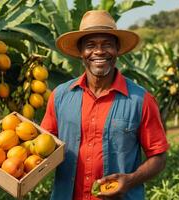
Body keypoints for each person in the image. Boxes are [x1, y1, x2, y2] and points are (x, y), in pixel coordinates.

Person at [41, 10, 169, 200]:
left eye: (107, 44)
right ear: (81, 52)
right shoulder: (60, 96)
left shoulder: (141, 100)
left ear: (117, 49)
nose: (99, 51)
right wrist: (1, 164)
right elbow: (41, 146)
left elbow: (159, 157)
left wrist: (131, 180)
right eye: (90, 45)